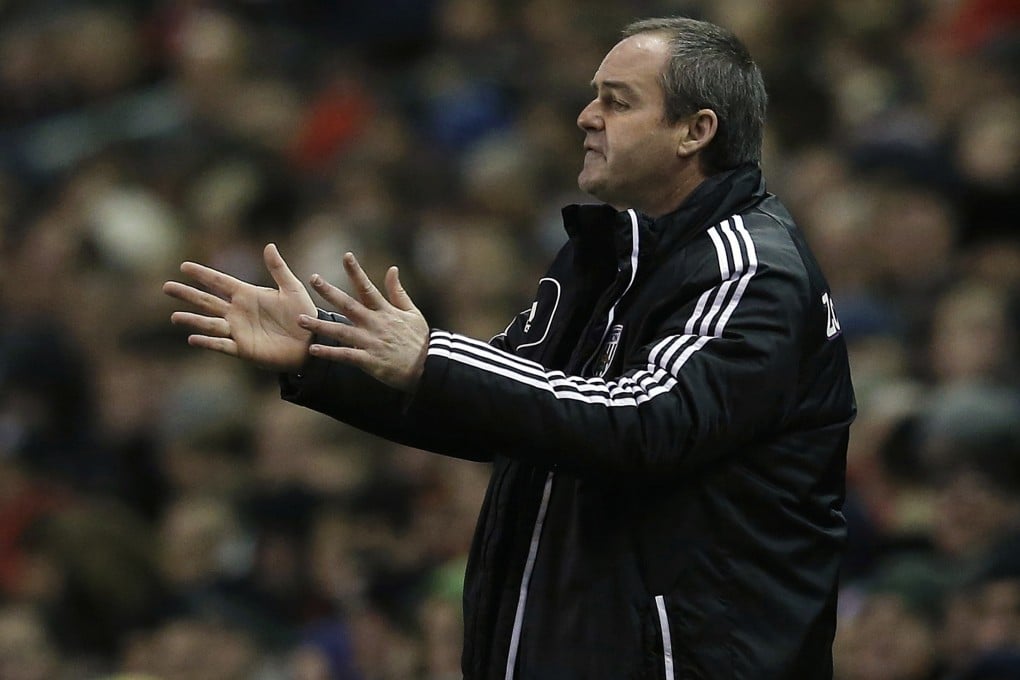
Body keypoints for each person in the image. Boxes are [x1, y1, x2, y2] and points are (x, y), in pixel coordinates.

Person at [163, 16, 856, 679]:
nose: (586, 117)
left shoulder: (751, 269)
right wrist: (321, 351)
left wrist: (431, 357)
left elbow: (644, 421)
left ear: (695, 131)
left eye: (617, 102)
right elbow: (506, 406)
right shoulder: (611, 252)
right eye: (593, 97)